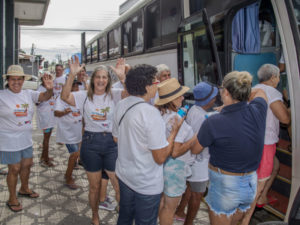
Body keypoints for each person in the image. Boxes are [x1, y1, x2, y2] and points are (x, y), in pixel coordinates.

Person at [195, 71, 268, 225]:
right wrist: (235, 102)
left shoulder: (213, 122)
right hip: (250, 182)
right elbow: (260, 92)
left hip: (225, 184)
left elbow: (195, 149)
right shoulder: (258, 111)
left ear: (226, 92)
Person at [112, 64, 182, 225]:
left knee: (125, 218)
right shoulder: (150, 113)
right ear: (147, 86)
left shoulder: (122, 104)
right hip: (145, 183)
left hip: (124, 175)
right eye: (156, 82)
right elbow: (160, 157)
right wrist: (173, 133)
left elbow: (116, 138)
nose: (158, 86)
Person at [61, 56, 125, 225]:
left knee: (118, 185)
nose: (101, 80)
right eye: (98, 77)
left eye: (104, 77)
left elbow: (132, 94)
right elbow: (64, 96)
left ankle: (124, 218)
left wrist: (122, 76)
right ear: (92, 79)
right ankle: (95, 216)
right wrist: (71, 75)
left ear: (108, 80)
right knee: (94, 187)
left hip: (112, 143)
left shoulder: (115, 95)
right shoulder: (83, 96)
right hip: (90, 142)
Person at [241, 64, 290, 225]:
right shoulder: (271, 92)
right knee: (258, 186)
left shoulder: (252, 89)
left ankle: (261, 198)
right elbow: (284, 119)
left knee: (275, 167)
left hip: (251, 142)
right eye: (277, 77)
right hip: (266, 144)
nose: (278, 80)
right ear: (273, 78)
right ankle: (245, 220)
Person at [0, 65, 53, 212]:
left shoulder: (29, 94)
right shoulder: (2, 95)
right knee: (14, 168)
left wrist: (49, 89)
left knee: (27, 165)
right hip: (9, 140)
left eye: (19, 79)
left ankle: (24, 188)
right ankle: (12, 198)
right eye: (12, 79)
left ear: (23, 80)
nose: (16, 82)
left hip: (26, 138)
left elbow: (45, 97)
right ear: (8, 80)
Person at [155, 78, 200, 225]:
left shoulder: (160, 114)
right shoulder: (176, 119)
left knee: (162, 203)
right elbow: (175, 151)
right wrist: (195, 138)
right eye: (179, 95)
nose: (182, 98)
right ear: (171, 99)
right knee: (170, 208)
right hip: (175, 169)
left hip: (161, 166)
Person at [175, 82, 218, 225]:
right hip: (199, 162)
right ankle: (189, 222)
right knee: (197, 195)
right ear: (209, 99)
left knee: (189, 188)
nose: (215, 99)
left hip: (192, 161)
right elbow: (199, 143)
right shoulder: (203, 118)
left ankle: (180, 211)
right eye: (214, 96)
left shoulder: (195, 110)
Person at [54, 80, 82, 189]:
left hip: (78, 132)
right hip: (67, 132)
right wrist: (65, 112)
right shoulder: (61, 98)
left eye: (77, 87)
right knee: (74, 153)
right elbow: (56, 113)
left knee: (76, 154)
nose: (76, 89)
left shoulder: (79, 98)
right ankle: (68, 177)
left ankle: (69, 171)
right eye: (74, 86)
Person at [36, 74, 56, 167]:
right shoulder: (40, 89)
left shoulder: (51, 87)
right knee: (46, 139)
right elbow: (36, 102)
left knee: (47, 138)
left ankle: (44, 157)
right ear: (42, 80)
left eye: (49, 77)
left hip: (50, 117)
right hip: (45, 119)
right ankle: (45, 160)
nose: (48, 79)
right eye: (45, 78)